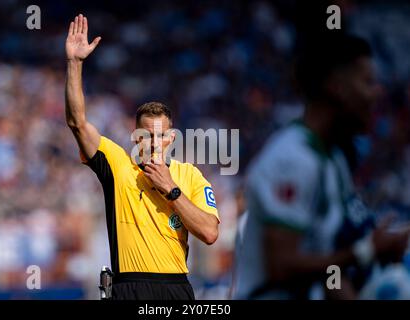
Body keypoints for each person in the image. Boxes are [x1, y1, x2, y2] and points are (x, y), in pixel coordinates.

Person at [232, 33, 410, 300]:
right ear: (337, 87)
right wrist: (366, 252)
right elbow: (281, 266)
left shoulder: (332, 160)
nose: (377, 93)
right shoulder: (292, 158)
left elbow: (329, 275)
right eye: (368, 82)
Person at [64, 14, 220, 300]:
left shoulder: (190, 176)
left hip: (175, 287)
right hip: (128, 288)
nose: (154, 142)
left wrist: (171, 190)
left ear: (172, 138)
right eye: (146, 135)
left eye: (161, 136)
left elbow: (210, 233)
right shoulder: (117, 164)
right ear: (135, 136)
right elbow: (77, 123)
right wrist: (75, 64)